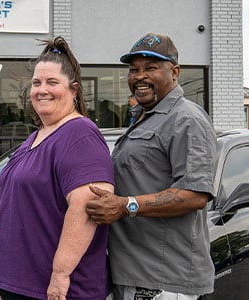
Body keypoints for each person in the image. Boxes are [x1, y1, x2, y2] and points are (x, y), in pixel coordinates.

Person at [0, 37, 115, 300]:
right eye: (36, 83)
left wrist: (60, 275)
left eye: (52, 82)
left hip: (57, 290)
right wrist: (7, 281)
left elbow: (86, 209)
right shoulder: (37, 136)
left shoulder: (80, 134)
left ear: (74, 90)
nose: (42, 90)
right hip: (21, 285)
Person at [86, 33, 217, 299]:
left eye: (151, 68)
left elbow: (194, 195)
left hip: (163, 280)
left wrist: (126, 206)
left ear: (175, 72)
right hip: (130, 273)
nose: (139, 76)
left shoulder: (186, 119)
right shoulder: (143, 118)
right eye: (134, 70)